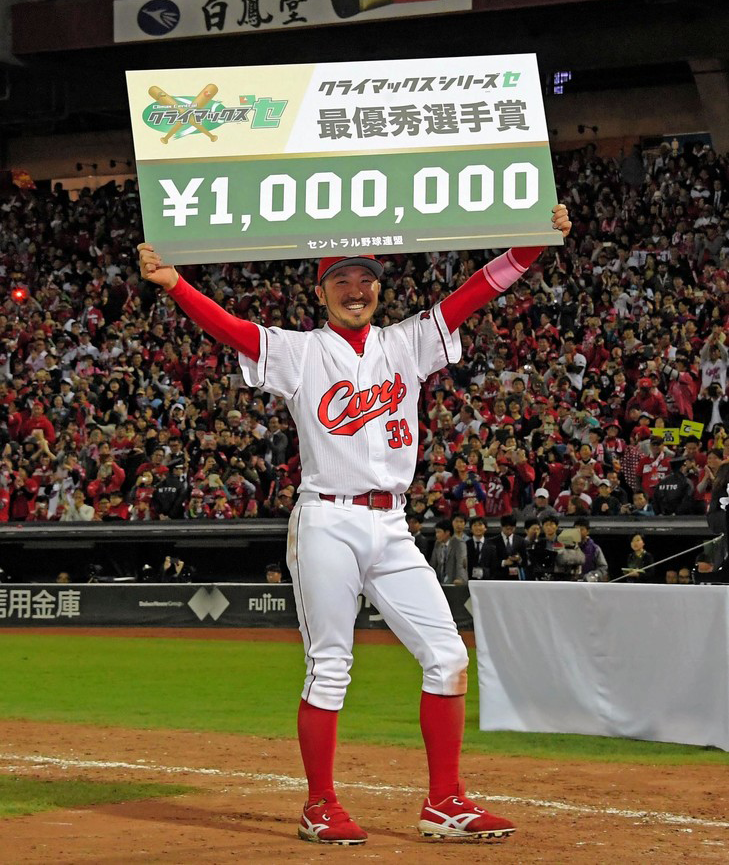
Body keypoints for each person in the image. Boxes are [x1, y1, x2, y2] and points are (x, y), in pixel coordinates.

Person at [138, 204, 571, 844]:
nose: (355, 288)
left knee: (448, 656)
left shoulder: (406, 342)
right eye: (341, 279)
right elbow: (234, 331)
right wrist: (175, 284)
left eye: (366, 279)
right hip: (327, 521)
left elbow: (475, 292)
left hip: (392, 524)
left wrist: (532, 247)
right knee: (330, 666)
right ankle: (320, 804)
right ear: (322, 292)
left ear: (379, 289)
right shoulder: (300, 351)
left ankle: (445, 802)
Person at [485, 513, 528, 580]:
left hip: (516, 577)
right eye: (506, 527)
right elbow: (489, 562)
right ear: (501, 526)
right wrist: (504, 562)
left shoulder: (521, 541)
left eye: (511, 526)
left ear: (515, 527)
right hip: (498, 577)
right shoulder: (492, 541)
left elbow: (525, 561)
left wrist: (519, 559)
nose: (509, 528)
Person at [429, 518, 468, 586]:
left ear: (447, 532)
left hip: (454, 581)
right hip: (439, 581)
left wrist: (460, 579)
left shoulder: (458, 543)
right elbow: (433, 563)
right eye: (436, 532)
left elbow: (461, 563)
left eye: (439, 532)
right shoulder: (437, 544)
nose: (436, 535)